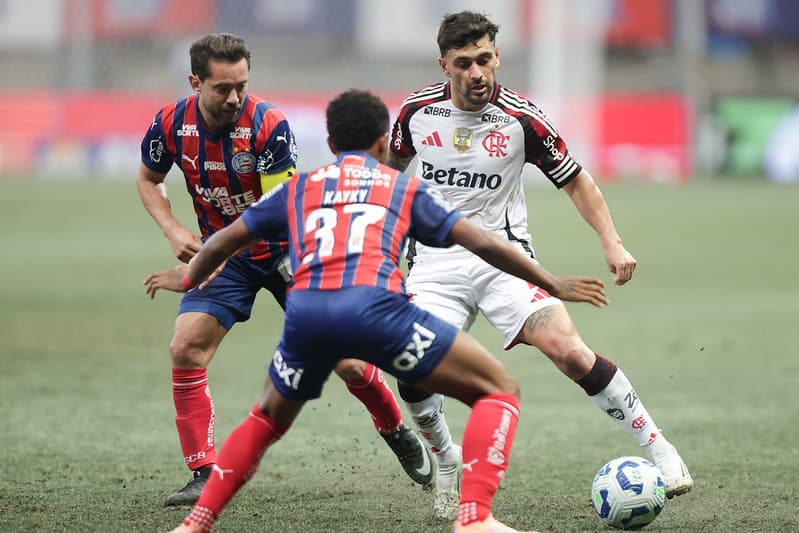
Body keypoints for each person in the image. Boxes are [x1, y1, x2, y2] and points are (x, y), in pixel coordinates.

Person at [164, 89, 608, 533]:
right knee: (498, 390)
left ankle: (196, 523)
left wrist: (186, 281)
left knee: (265, 419)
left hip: (308, 317)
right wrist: (549, 282)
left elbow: (222, 242)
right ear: (383, 143)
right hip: (376, 312)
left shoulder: (299, 187)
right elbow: (482, 241)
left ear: (331, 144)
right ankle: (475, 517)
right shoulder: (402, 187)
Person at [386, 11, 694, 519]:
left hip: (506, 262)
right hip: (435, 263)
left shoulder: (521, 119)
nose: (477, 73)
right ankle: (444, 458)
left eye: (484, 59)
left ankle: (660, 449)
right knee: (412, 366)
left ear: (497, 56)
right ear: (445, 66)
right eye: (463, 63)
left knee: (570, 352)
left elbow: (576, 181)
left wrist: (612, 242)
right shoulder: (416, 113)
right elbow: (387, 177)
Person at [137, 33, 431, 507]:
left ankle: (395, 428)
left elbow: (277, 212)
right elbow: (149, 179)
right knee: (186, 347)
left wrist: (206, 261)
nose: (234, 97)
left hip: (289, 249)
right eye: (223, 88)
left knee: (349, 361)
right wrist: (173, 230)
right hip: (226, 256)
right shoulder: (170, 123)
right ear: (195, 82)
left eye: (242, 85)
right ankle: (203, 472)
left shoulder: (268, 125)